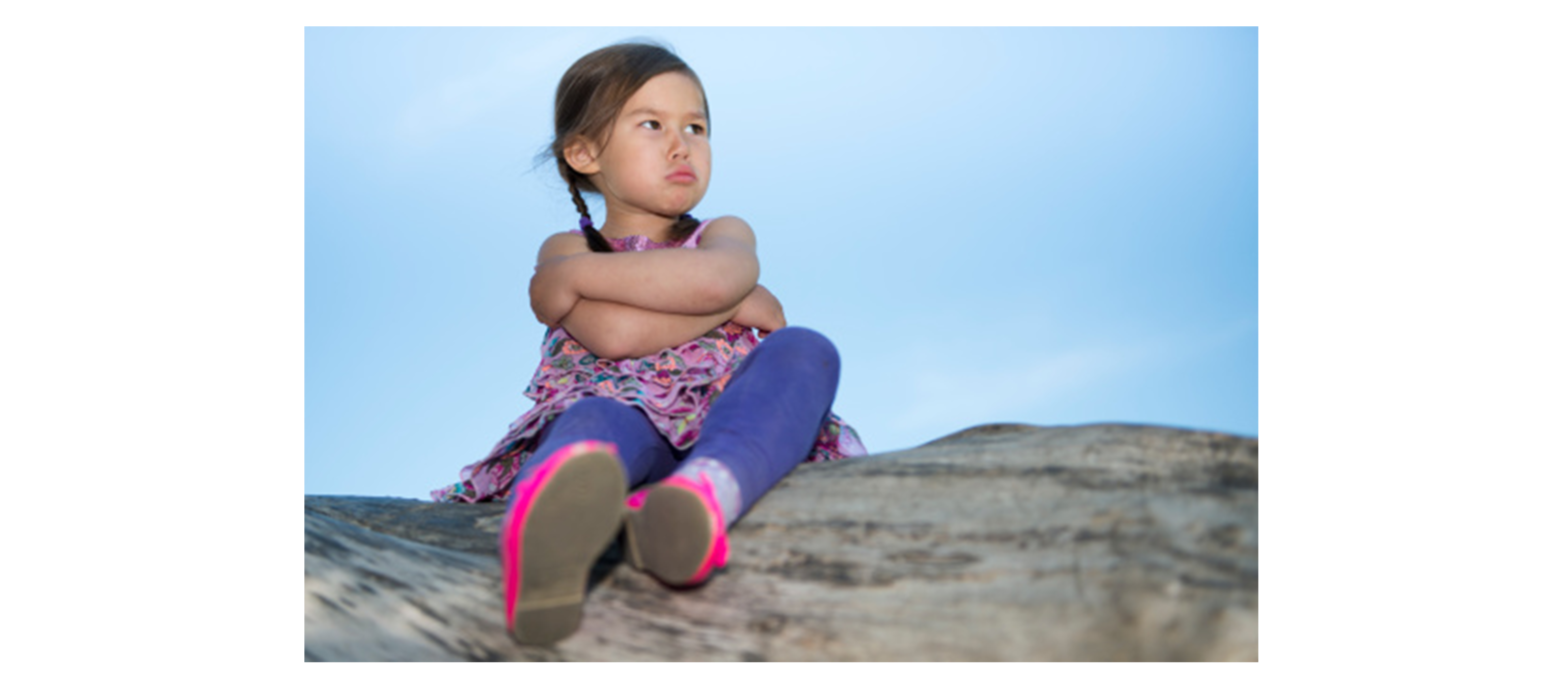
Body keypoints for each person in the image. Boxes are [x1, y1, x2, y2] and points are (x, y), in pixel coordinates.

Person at [430, 41, 866, 645]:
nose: (680, 144)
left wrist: (593, 286)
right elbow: (615, 337)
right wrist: (732, 307)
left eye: (696, 126)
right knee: (597, 420)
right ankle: (551, 521)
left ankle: (700, 497)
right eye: (652, 124)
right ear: (583, 152)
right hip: (626, 420)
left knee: (804, 348)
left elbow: (714, 278)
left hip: (732, 414)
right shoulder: (567, 249)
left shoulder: (722, 234)